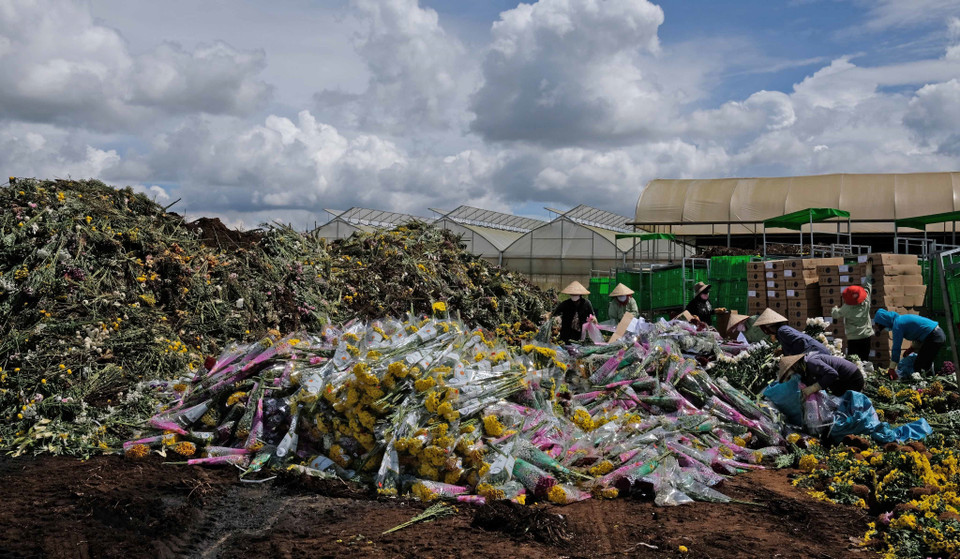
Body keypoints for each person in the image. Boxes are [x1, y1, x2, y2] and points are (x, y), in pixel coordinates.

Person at [873, 309, 946, 377]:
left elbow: (896, 347)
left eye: (884, 327)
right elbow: (918, 334)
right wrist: (911, 348)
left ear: (885, 322)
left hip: (934, 337)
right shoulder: (900, 320)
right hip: (937, 335)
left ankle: (925, 386)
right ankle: (930, 385)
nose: (886, 329)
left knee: (919, 365)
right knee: (925, 364)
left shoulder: (897, 325)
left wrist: (892, 368)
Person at [778, 352, 865, 398]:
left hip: (852, 378)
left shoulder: (811, 362)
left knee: (843, 403)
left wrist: (814, 387)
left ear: (795, 365)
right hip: (841, 381)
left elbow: (832, 374)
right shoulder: (804, 371)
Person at [754, 308, 831, 356]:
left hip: (817, 353)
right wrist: (783, 351)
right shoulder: (782, 331)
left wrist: (790, 356)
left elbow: (800, 341)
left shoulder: (782, 331)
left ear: (769, 326)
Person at [831, 283, 872, 361]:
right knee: (865, 359)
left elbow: (835, 314)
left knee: (853, 360)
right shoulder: (866, 301)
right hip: (866, 336)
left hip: (853, 338)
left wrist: (835, 308)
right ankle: (865, 372)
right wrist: (868, 277)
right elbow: (868, 287)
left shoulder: (847, 308)